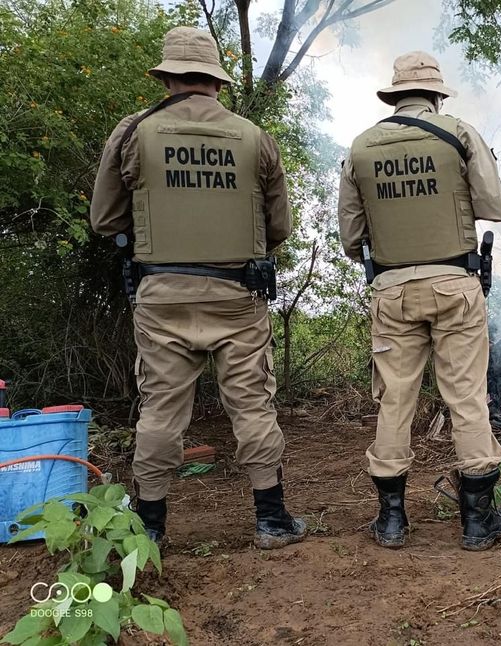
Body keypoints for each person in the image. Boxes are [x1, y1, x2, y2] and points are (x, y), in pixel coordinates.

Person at [90, 26, 306, 550]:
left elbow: (104, 218)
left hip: (161, 296)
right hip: (237, 296)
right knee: (252, 405)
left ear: (166, 78)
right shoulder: (253, 137)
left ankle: (152, 529)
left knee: (161, 410)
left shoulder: (134, 131)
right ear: (216, 82)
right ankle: (271, 520)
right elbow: (280, 227)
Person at [338, 51, 501, 551]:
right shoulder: (458, 133)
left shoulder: (360, 147)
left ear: (394, 95)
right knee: (466, 399)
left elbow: (352, 239)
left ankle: (391, 521)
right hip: (456, 285)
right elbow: (495, 207)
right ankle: (477, 523)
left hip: (391, 291)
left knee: (394, 401)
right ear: (437, 95)